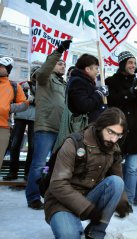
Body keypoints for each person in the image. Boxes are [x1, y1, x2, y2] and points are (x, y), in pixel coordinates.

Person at [44, 107, 130, 239]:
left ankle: (94, 235)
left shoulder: (113, 149)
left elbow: (117, 178)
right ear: (100, 126)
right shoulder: (73, 143)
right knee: (69, 238)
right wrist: (87, 209)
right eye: (110, 132)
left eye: (118, 135)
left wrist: (122, 202)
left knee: (116, 182)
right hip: (61, 201)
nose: (114, 139)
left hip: (89, 196)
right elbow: (58, 184)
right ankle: (68, 227)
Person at [25, 39, 71, 210]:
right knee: (39, 164)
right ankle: (33, 197)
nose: (62, 66)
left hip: (60, 130)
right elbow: (45, 68)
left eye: (64, 64)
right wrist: (58, 51)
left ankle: (50, 195)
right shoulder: (44, 78)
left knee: (55, 167)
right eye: (59, 63)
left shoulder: (64, 83)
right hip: (45, 128)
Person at [106, 51, 137, 205]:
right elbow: (112, 101)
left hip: (135, 131)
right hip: (118, 130)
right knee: (115, 166)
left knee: (132, 168)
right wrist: (130, 93)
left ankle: (129, 200)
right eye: (130, 63)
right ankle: (114, 198)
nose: (133, 66)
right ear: (123, 64)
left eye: (134, 62)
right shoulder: (112, 81)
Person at [3, 66, 39, 181]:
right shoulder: (23, 84)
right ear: (32, 74)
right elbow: (16, 98)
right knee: (15, 144)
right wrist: (29, 97)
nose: (36, 76)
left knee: (32, 147)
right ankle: (13, 172)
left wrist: (32, 99)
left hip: (35, 118)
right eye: (35, 73)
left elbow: (44, 102)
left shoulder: (43, 88)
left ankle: (27, 173)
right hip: (21, 116)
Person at [0, 56, 29, 170]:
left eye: (2, 66)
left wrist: (7, 108)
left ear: (8, 69)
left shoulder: (14, 86)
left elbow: (24, 104)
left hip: (3, 128)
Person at [67, 54, 107, 124]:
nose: (97, 72)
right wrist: (99, 93)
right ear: (87, 69)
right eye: (96, 68)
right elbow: (84, 105)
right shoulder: (78, 82)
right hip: (83, 127)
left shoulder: (87, 81)